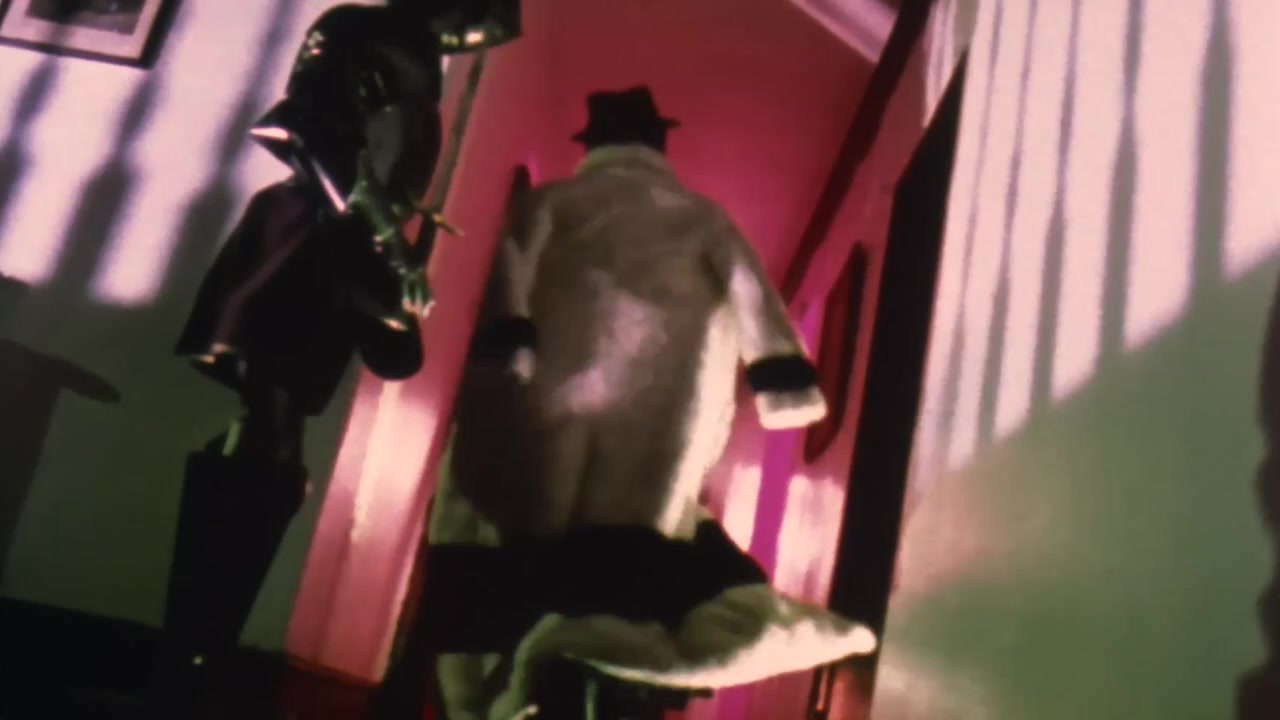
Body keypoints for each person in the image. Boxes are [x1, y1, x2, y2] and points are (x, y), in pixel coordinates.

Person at [426, 86, 877, 720]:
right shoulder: (701, 218)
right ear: (658, 143)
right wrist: (782, 382)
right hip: (665, 402)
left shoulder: (552, 201)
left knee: (532, 517)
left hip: (549, 386)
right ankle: (600, 647)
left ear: (594, 144)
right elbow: (750, 290)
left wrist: (510, 337)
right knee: (643, 520)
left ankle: (516, 674)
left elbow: (511, 261)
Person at [150, 2, 520, 716]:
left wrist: (390, 251)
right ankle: (193, 656)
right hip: (305, 243)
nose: (476, 41)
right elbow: (312, 126)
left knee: (274, 438)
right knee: (269, 433)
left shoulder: (415, 61)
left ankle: (201, 652)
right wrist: (388, 243)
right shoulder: (360, 30)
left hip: (337, 254)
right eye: (475, 24)